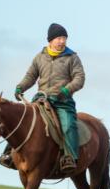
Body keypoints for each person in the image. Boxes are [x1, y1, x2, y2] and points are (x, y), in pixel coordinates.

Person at [8, 23, 86, 174]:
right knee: (21, 120)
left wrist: (67, 90)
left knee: (68, 125)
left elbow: (80, 78)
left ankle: (70, 157)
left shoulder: (72, 57)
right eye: (59, 38)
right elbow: (30, 76)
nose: (62, 41)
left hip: (63, 101)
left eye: (64, 38)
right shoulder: (39, 57)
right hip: (41, 99)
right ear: (50, 40)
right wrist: (20, 87)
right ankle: (9, 155)